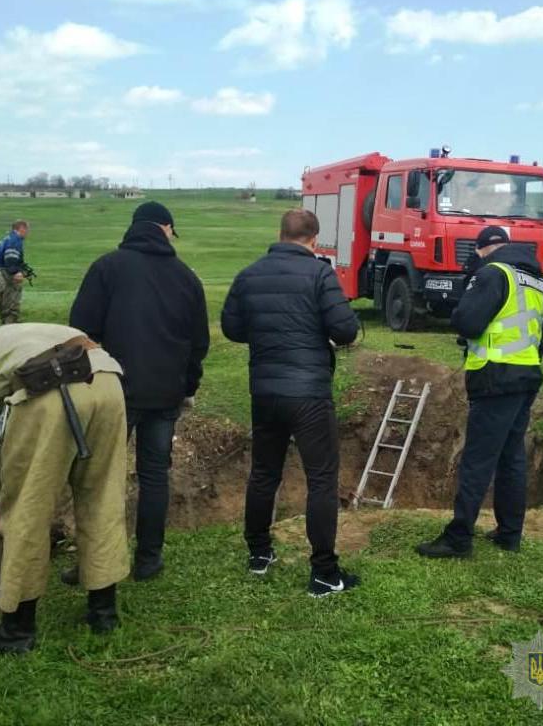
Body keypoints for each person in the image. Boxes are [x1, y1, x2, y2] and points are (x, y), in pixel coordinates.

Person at [0, 323, 130, 653]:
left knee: (26, 510)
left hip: (48, 389)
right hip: (107, 379)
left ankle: (16, 633)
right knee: (102, 496)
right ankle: (103, 613)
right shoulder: (8, 339)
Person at [221, 209, 360, 597]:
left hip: (265, 390)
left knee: (264, 472)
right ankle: (324, 574)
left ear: (280, 235)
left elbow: (232, 327)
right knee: (321, 479)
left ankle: (259, 554)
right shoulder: (320, 274)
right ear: (314, 240)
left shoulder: (249, 274)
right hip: (309, 392)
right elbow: (345, 330)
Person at [69, 201, 210, 581]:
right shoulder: (186, 277)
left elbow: (80, 331)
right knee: (154, 477)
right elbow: (199, 343)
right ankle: (148, 559)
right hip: (165, 396)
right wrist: (186, 388)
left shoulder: (107, 268)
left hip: (114, 392)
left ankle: (92, 561)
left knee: (99, 477)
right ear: (166, 228)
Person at [417, 226, 543, 558]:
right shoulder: (535, 279)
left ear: (480, 250)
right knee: (511, 457)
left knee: (477, 460)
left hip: (495, 376)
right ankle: (509, 533)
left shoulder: (493, 274)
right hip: (526, 374)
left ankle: (459, 538)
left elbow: (469, 323)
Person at [0, 219, 30, 324]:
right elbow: (10, 257)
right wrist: (16, 272)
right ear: (21, 228)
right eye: (27, 230)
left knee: (2, 306)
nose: (28, 233)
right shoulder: (15, 240)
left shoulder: (4, 240)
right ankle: (10, 330)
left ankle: (4, 328)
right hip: (7, 276)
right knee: (11, 307)